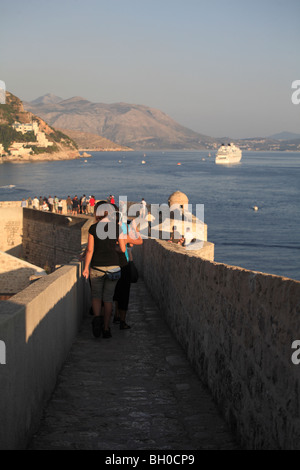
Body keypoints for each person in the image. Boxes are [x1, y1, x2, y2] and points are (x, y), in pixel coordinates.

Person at [82, 200, 126, 339]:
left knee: (96, 296)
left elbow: (89, 250)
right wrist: (114, 248)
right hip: (113, 267)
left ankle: (97, 319)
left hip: (97, 267)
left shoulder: (93, 228)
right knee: (108, 299)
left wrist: (85, 268)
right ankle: (106, 329)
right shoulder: (117, 228)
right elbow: (123, 249)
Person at [113, 216, 143, 330]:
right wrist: (135, 230)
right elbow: (139, 241)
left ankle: (115, 314)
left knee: (115, 291)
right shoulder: (124, 234)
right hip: (124, 264)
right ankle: (122, 320)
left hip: (111, 264)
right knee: (124, 292)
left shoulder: (108, 233)